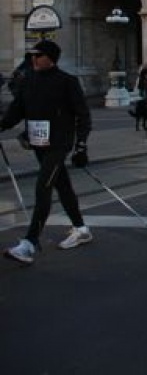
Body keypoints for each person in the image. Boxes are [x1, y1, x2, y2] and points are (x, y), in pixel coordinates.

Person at [1, 40, 93, 265]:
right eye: (32, 55)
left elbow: (83, 115)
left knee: (44, 186)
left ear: (50, 57)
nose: (33, 59)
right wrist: (2, 125)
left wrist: (81, 145)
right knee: (62, 185)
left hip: (58, 144)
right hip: (38, 144)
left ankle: (29, 243)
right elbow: (17, 111)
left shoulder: (67, 82)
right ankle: (81, 228)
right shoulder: (28, 80)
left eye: (38, 55)